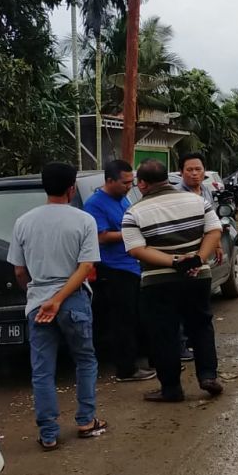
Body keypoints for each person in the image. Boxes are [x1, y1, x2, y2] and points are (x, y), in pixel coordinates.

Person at [8, 162, 107, 451]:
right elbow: (86, 266)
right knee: (85, 360)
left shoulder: (23, 222)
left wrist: (40, 296)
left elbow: (18, 271)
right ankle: (86, 421)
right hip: (73, 299)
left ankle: (49, 434)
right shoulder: (83, 220)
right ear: (71, 188)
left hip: (38, 302)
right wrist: (60, 299)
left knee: (42, 371)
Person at [122, 159, 224, 402]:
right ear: (169, 179)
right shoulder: (197, 201)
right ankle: (208, 376)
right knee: (201, 325)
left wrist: (174, 262)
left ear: (142, 184)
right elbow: (214, 231)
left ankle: (171, 389)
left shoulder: (133, 212)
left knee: (163, 333)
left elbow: (137, 250)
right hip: (197, 277)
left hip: (158, 282)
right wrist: (197, 259)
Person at [83, 160, 155, 382]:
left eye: (131, 182)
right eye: (124, 182)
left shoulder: (122, 198)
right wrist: (133, 233)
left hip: (132, 265)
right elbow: (100, 237)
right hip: (113, 269)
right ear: (109, 181)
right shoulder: (95, 204)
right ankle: (126, 369)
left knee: (138, 316)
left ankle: (145, 357)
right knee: (122, 321)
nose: (129, 186)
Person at [176, 153, 222, 362]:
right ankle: (183, 343)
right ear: (181, 172)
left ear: (204, 171)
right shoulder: (178, 196)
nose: (194, 174)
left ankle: (196, 340)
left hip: (204, 251)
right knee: (184, 299)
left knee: (201, 298)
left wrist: (217, 244)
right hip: (187, 253)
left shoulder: (205, 190)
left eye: (198, 169)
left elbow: (211, 221)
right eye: (189, 170)